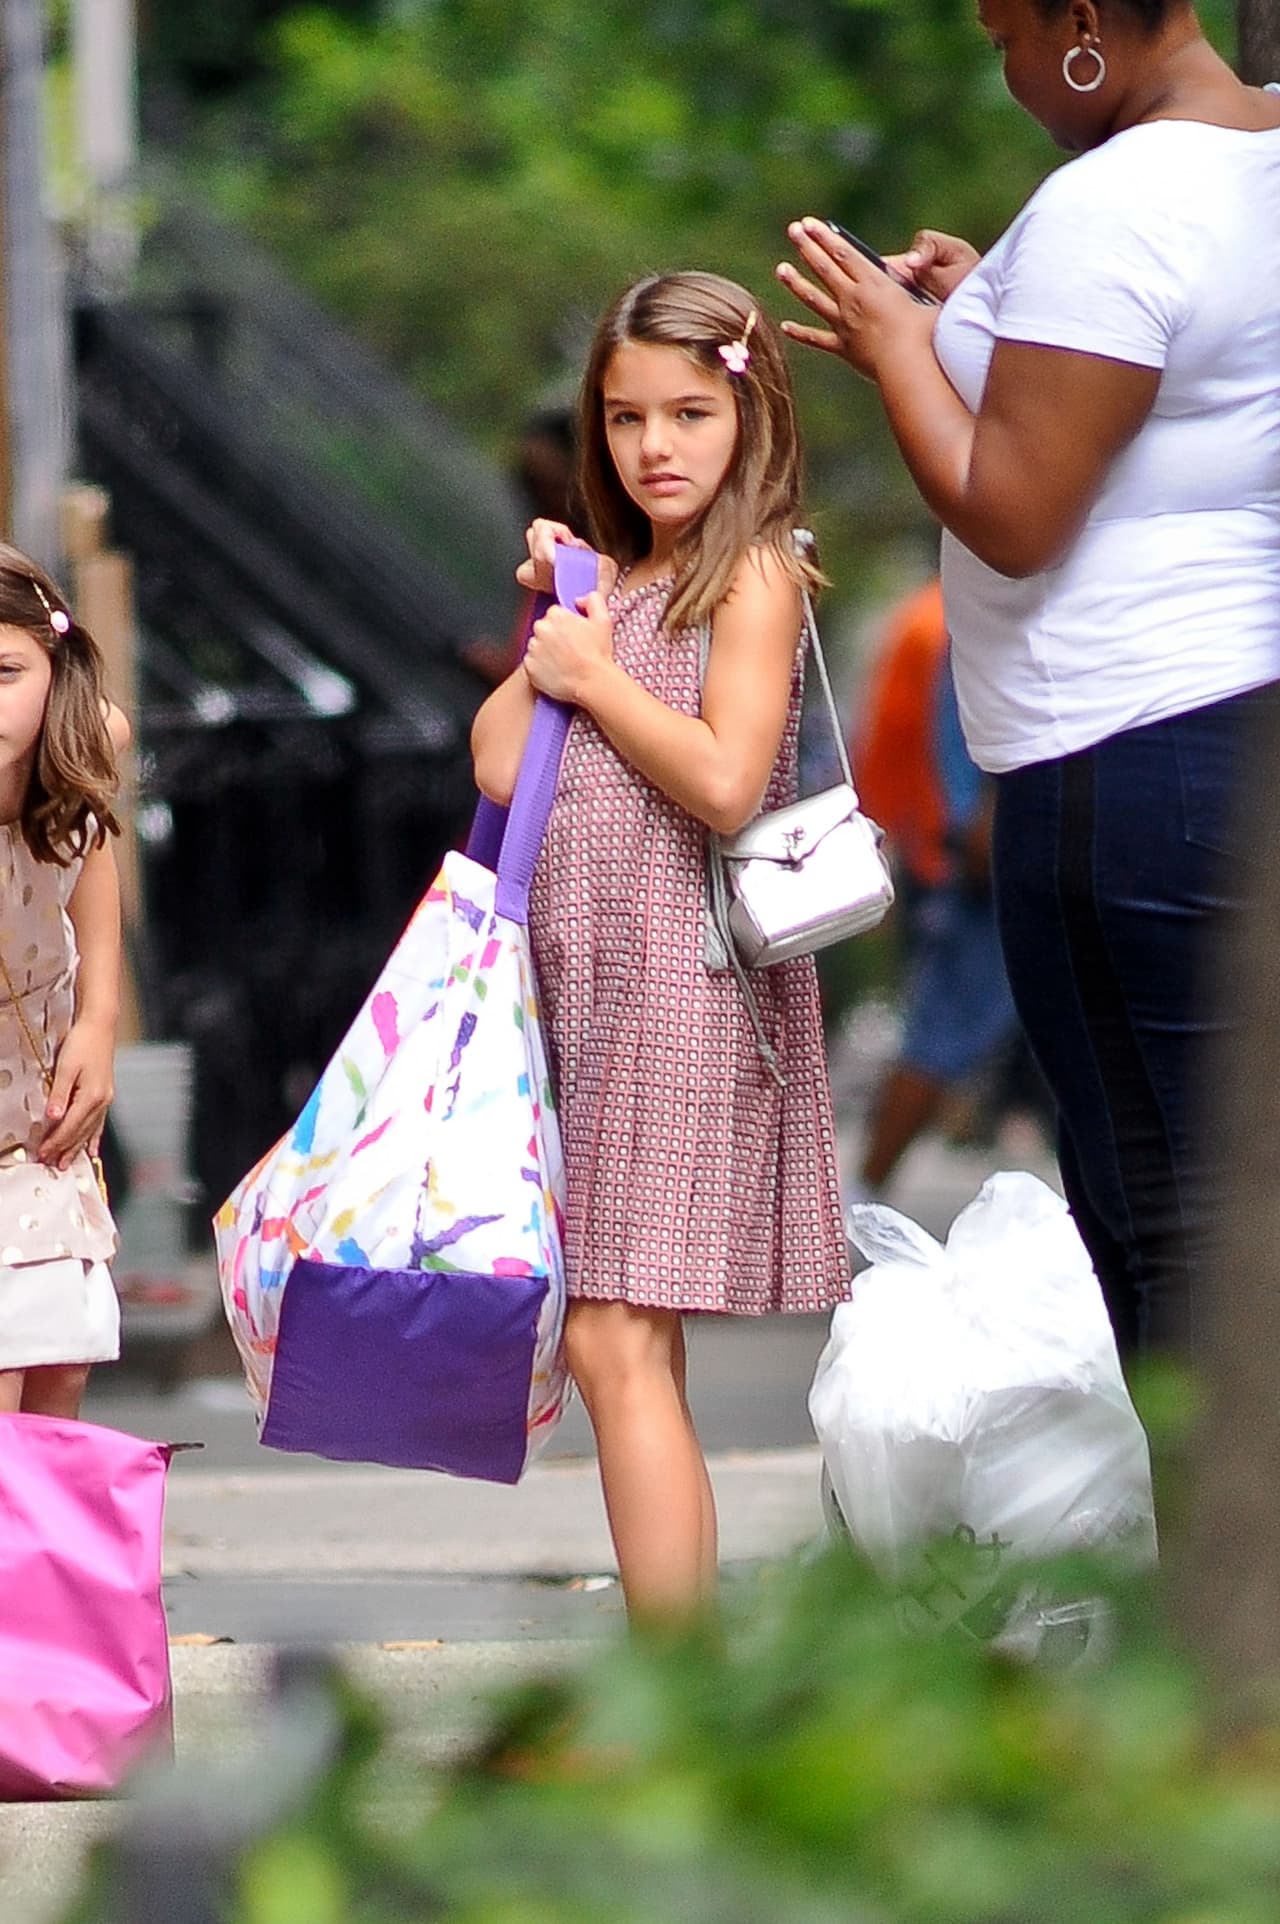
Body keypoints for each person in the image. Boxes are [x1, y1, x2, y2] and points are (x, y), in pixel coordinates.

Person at [779, 1, 1280, 1356]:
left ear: (1079, 26)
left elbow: (1011, 507)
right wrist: (982, 303)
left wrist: (895, 346)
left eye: (1004, 34)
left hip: (1121, 753)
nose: (1002, 69)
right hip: (1221, 729)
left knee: (1159, 1217)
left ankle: (1209, 1570)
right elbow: (1151, 378)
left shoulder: (1113, 205)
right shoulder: (1257, 157)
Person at [471, 273, 850, 1623]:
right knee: (635, 1342)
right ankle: (677, 1669)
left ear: (750, 412)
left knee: (612, 1334)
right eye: (628, 418)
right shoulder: (614, 579)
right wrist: (558, 621)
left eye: (691, 412)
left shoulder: (750, 570)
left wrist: (599, 676)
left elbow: (728, 781)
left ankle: (672, 1679)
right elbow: (504, 761)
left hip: (684, 990)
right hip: (593, 993)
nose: (658, 447)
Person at [0, 544, 130, 1418]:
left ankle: (43, 1562)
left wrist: (100, 1018)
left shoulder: (85, 749)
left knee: (59, 1373)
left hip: (35, 1120)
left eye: (6, 670)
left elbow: (92, 856)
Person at [853, 579, 1023, 1196]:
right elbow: (910, 735)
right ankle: (863, 1193)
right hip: (961, 852)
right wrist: (963, 816)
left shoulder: (929, 613)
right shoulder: (946, 617)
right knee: (941, 1028)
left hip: (940, 845)